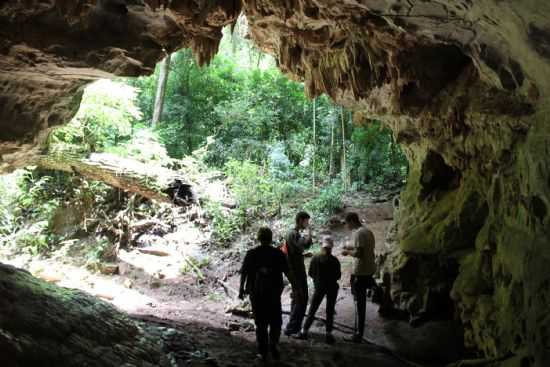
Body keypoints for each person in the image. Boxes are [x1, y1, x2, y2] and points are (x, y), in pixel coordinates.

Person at [239, 227, 289, 362]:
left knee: (260, 322)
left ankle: (263, 352)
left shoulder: (251, 253)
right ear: (271, 238)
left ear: (258, 238)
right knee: (275, 320)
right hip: (274, 294)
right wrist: (296, 288)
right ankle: (273, 344)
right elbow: (288, 272)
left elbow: (244, 273)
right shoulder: (278, 254)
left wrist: (241, 290)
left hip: (257, 294)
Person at [296, 236, 341, 344]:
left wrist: (317, 280)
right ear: (331, 247)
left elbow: (310, 273)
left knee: (312, 309)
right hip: (331, 287)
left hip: (319, 287)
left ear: (322, 246)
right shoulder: (334, 260)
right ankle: (328, 335)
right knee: (329, 311)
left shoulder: (315, 258)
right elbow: (338, 276)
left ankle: (304, 331)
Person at [342, 212, 376, 343]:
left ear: (351, 221)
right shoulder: (367, 231)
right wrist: (349, 246)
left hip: (360, 272)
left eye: (347, 223)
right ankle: (376, 289)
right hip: (369, 269)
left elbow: (359, 253)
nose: (347, 226)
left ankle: (358, 334)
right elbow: (364, 248)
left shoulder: (358, 233)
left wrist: (347, 252)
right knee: (361, 302)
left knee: (359, 304)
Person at [284, 211, 313, 336]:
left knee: (298, 297)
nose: (307, 223)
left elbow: (297, 250)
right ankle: (292, 328)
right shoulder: (293, 234)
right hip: (295, 270)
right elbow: (304, 245)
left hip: (296, 269)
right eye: (306, 221)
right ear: (301, 220)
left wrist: (303, 254)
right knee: (301, 297)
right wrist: (309, 234)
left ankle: (293, 326)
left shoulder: (294, 234)